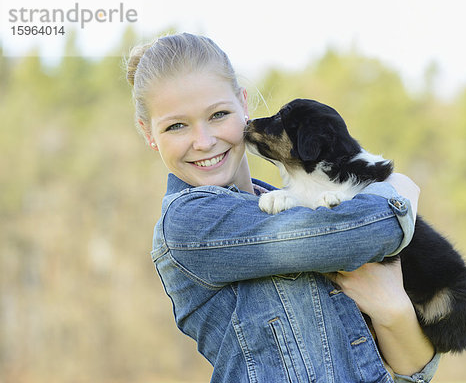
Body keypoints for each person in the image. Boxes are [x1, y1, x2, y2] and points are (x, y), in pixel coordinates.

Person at [126, 33, 440, 382]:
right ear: (148, 132)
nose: (203, 141)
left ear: (244, 106)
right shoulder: (190, 224)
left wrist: (394, 312)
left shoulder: (297, 209)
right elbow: (359, 234)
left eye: (218, 114)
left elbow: (415, 370)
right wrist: (398, 193)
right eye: (176, 126)